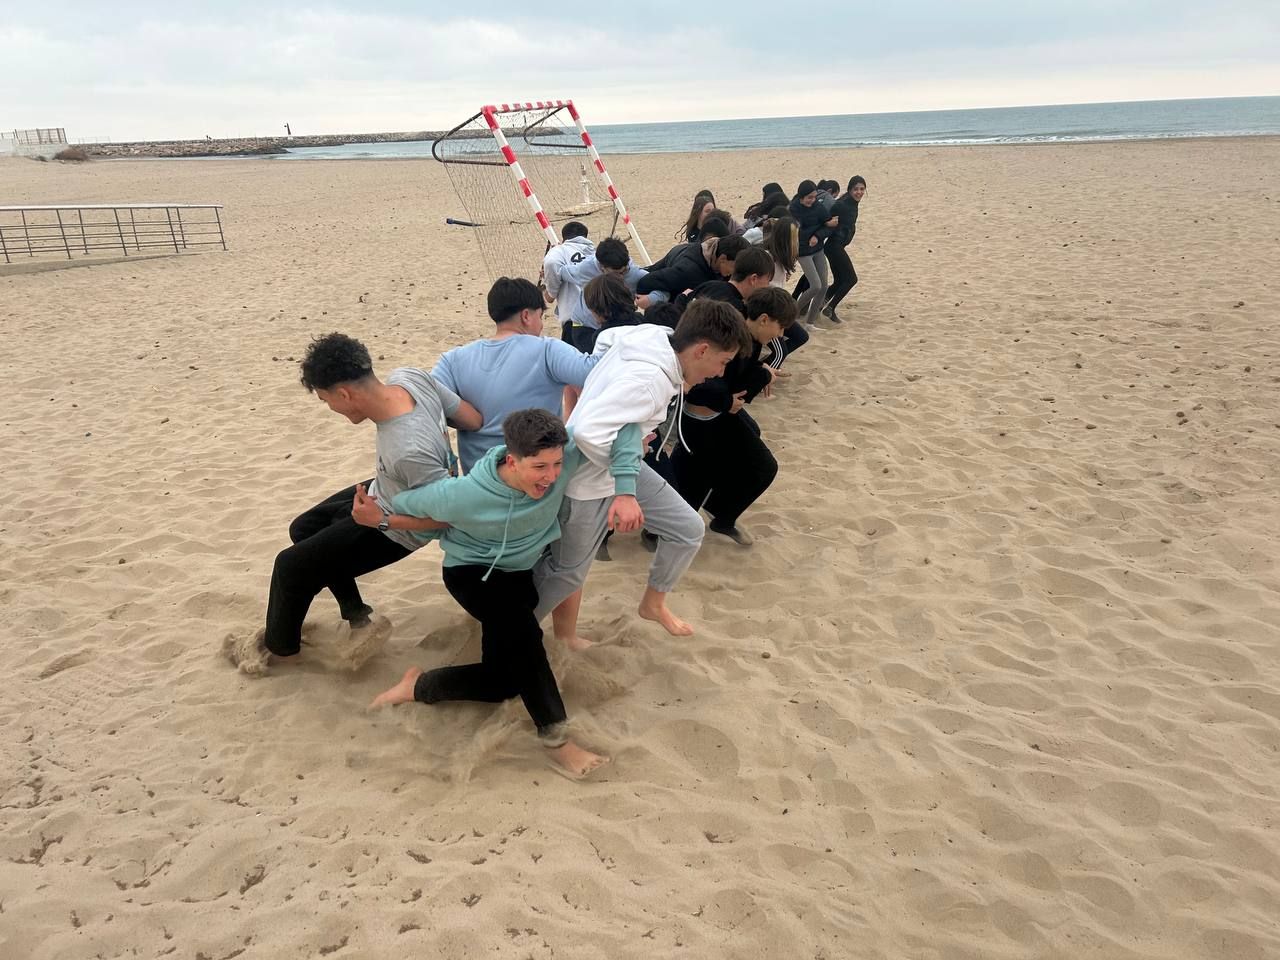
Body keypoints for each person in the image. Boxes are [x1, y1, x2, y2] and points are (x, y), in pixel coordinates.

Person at [367, 409, 641, 779]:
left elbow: (624, 423)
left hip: (518, 577)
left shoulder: (563, 455)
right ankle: (556, 740)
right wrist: (381, 519)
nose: (551, 477)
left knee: (505, 681)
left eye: (557, 464)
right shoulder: (462, 494)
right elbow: (403, 502)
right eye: (539, 467)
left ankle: (418, 685)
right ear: (512, 461)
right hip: (471, 574)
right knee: (527, 640)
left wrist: (626, 489)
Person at [223, 333, 483, 674]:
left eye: (327, 400)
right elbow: (472, 419)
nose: (331, 408)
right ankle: (358, 617)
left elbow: (446, 518)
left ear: (344, 394)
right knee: (305, 528)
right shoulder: (411, 378)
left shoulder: (408, 451)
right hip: (388, 488)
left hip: (398, 528)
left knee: (289, 567)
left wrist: (381, 520)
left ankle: (282, 654)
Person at [532, 300, 750, 647]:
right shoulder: (649, 382)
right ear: (701, 350)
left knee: (687, 529)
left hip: (622, 468)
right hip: (585, 482)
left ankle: (653, 603)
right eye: (722, 362)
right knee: (566, 573)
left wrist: (625, 426)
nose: (720, 373)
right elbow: (588, 434)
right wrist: (624, 487)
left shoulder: (655, 335)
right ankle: (515, 632)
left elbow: (607, 339)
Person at [431, 277, 598, 473]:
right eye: (540, 317)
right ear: (526, 316)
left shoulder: (453, 360)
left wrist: (469, 418)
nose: (541, 326)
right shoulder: (547, 350)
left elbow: (428, 398)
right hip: (539, 477)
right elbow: (598, 372)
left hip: (479, 478)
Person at [670, 287, 798, 545]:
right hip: (701, 419)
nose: (780, 335)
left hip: (719, 415)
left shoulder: (750, 341)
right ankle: (685, 524)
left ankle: (719, 513)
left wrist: (761, 373)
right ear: (764, 319)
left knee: (745, 454)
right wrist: (736, 394)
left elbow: (736, 383)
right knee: (702, 475)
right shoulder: (732, 340)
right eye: (780, 327)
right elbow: (701, 384)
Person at [559, 237, 663, 352]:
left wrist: (650, 299)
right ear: (602, 268)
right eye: (617, 273)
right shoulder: (585, 268)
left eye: (624, 272)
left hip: (618, 325)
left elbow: (662, 289)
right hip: (585, 326)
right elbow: (561, 272)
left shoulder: (634, 273)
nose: (621, 277)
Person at [635, 234, 750, 302]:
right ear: (723, 259)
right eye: (735, 267)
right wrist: (655, 299)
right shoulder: (687, 272)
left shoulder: (717, 254)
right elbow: (645, 282)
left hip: (682, 253)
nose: (735, 273)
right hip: (675, 262)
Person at [675, 246, 776, 316]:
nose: (767, 286)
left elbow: (681, 302)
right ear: (753, 279)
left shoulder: (709, 285)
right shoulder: (737, 311)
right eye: (767, 281)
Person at [789, 180, 838, 327]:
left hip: (818, 249)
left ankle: (810, 323)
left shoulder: (818, 206)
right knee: (815, 285)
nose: (812, 200)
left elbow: (829, 225)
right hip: (802, 252)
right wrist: (814, 233)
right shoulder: (793, 209)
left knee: (823, 286)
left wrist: (817, 235)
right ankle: (791, 315)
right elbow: (796, 233)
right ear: (801, 196)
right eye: (809, 197)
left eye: (814, 197)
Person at [821, 176, 866, 323]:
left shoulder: (852, 202)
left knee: (840, 280)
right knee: (851, 279)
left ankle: (821, 303)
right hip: (834, 246)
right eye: (856, 189)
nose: (859, 192)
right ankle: (830, 308)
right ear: (850, 190)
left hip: (836, 246)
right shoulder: (843, 204)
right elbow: (825, 218)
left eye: (862, 189)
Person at [541, 221, 593, 341]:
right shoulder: (596, 252)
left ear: (564, 238)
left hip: (574, 320)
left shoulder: (559, 251)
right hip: (599, 318)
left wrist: (551, 291)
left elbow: (551, 263)